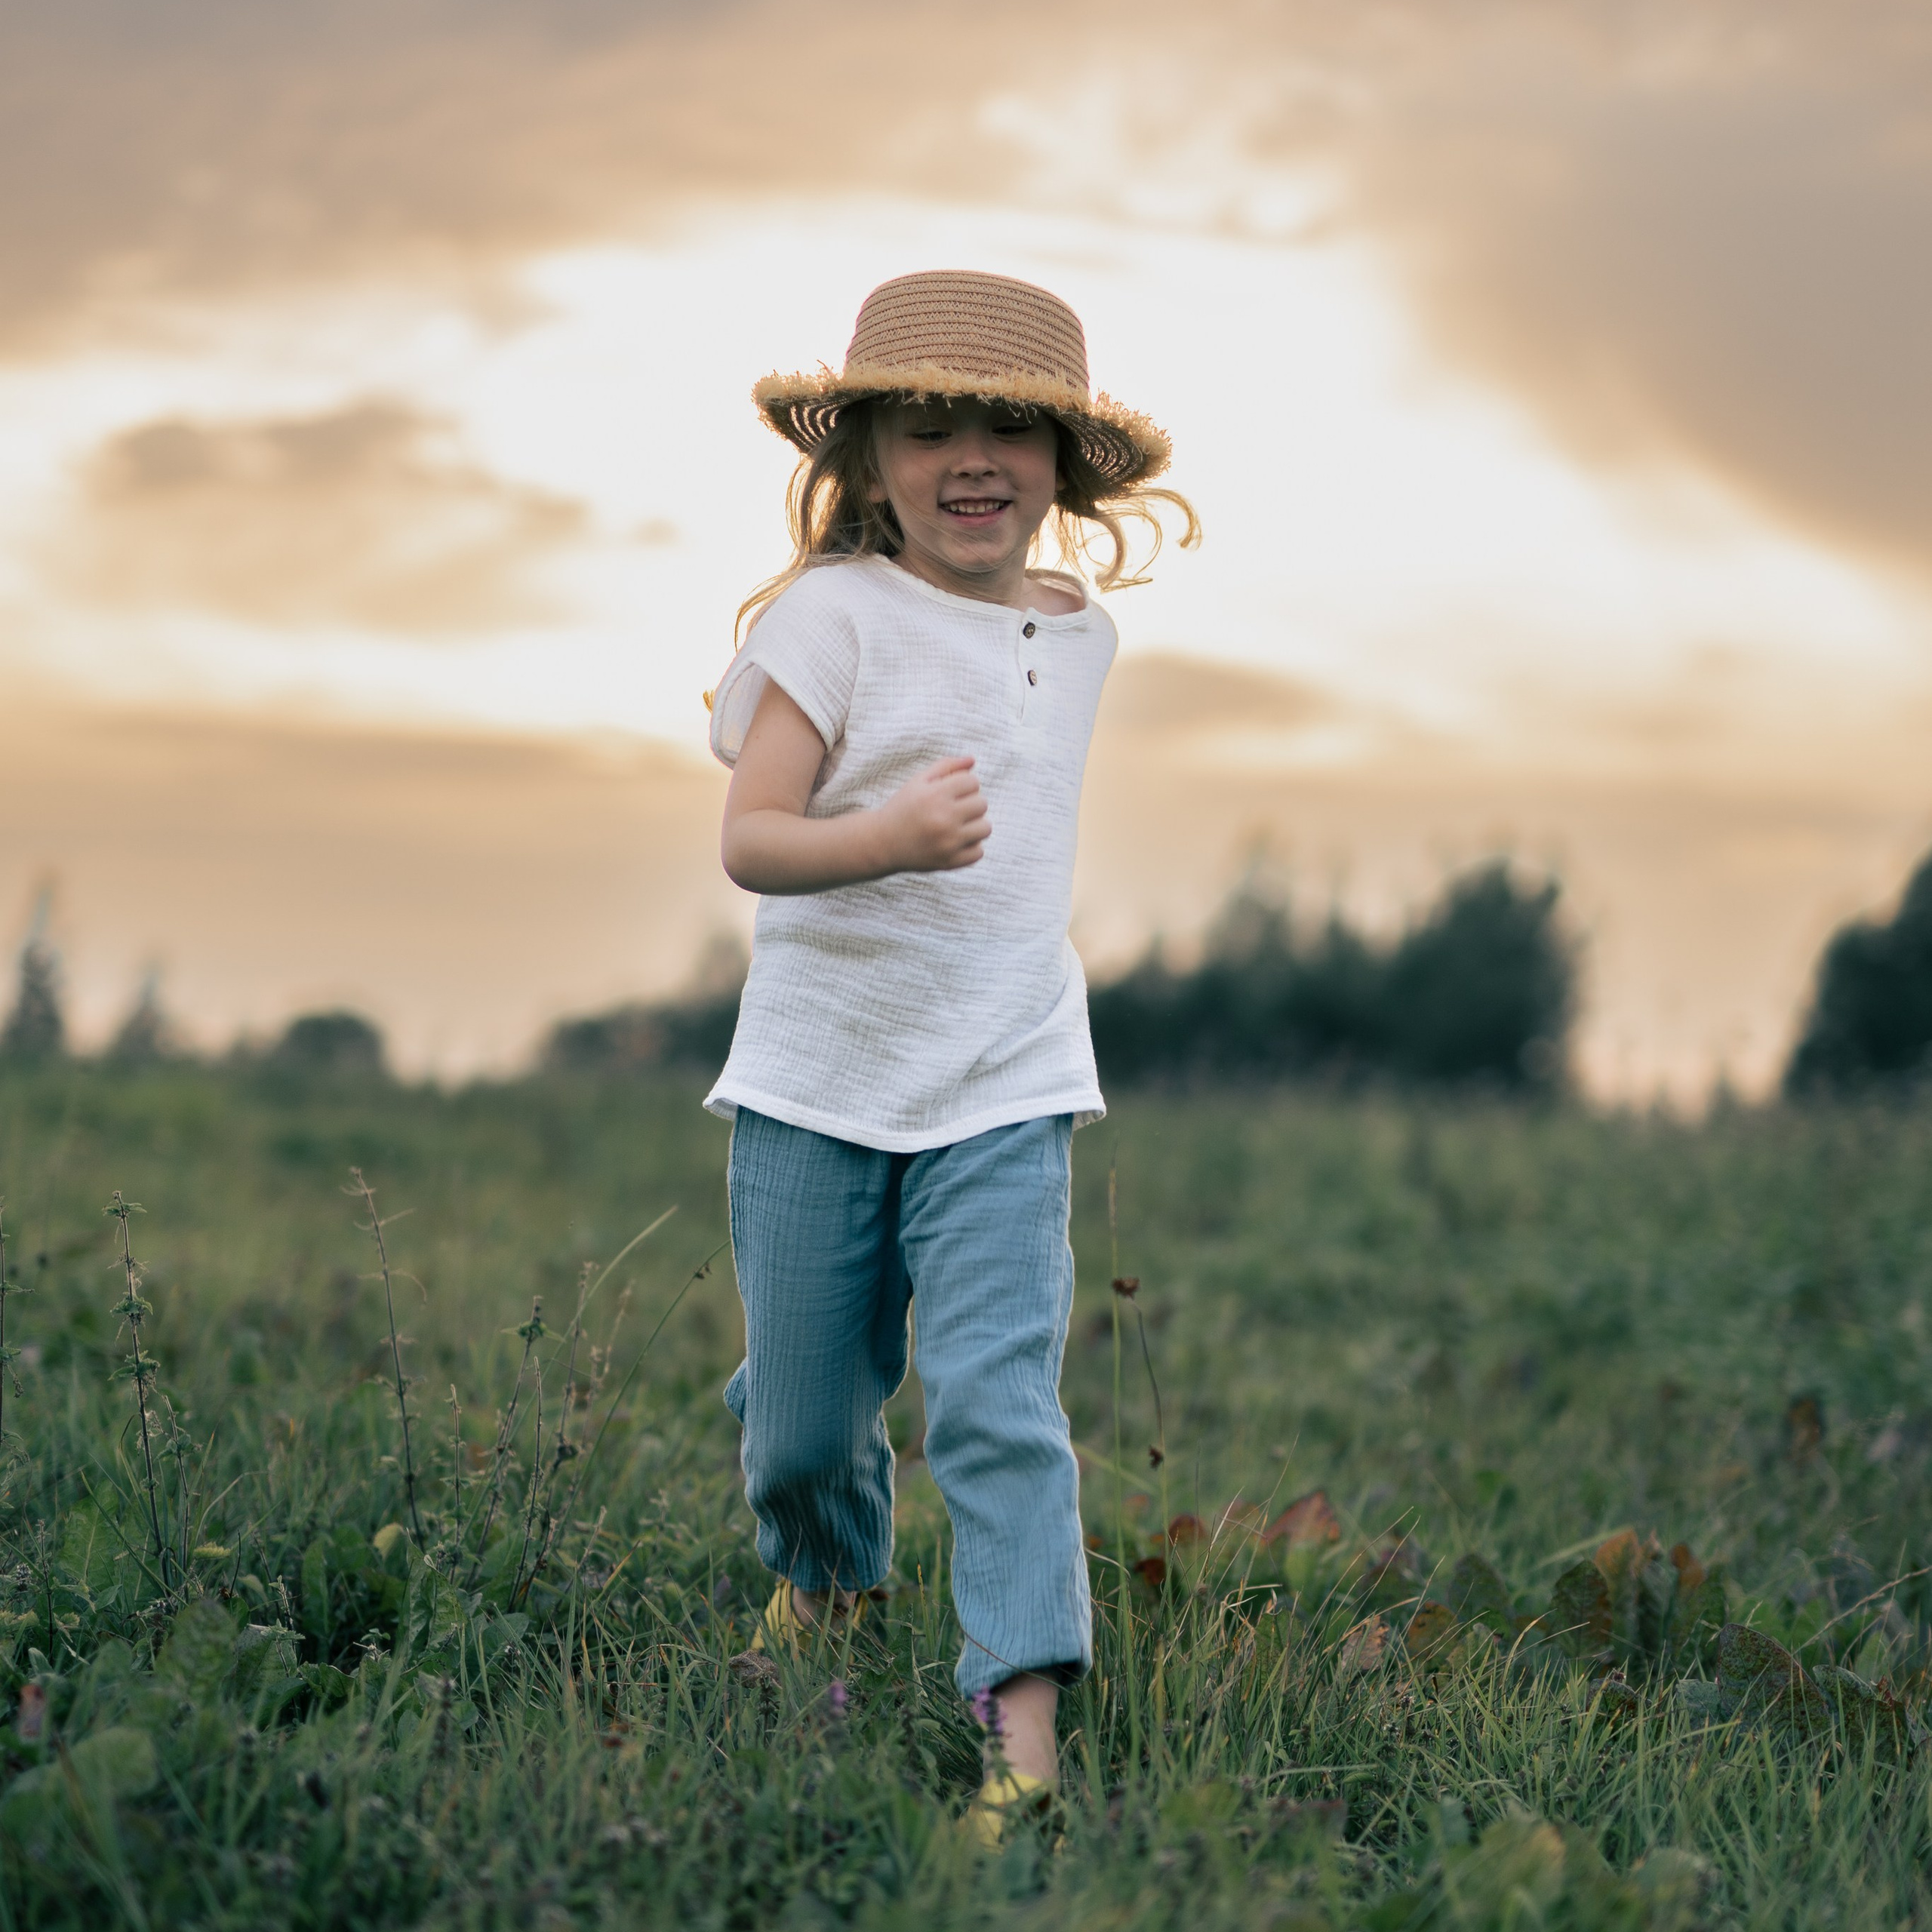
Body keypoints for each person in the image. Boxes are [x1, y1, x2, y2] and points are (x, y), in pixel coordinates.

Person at [703, 269, 1196, 1841]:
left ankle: (1020, 1733)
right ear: (863, 458)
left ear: (1063, 462)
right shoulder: (827, 617)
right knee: (797, 1424)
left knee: (996, 1403)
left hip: (1006, 1080)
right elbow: (750, 838)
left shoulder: (1080, 632)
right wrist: (888, 837)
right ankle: (828, 1575)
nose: (970, 456)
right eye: (929, 426)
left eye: (1008, 426)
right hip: (813, 1084)